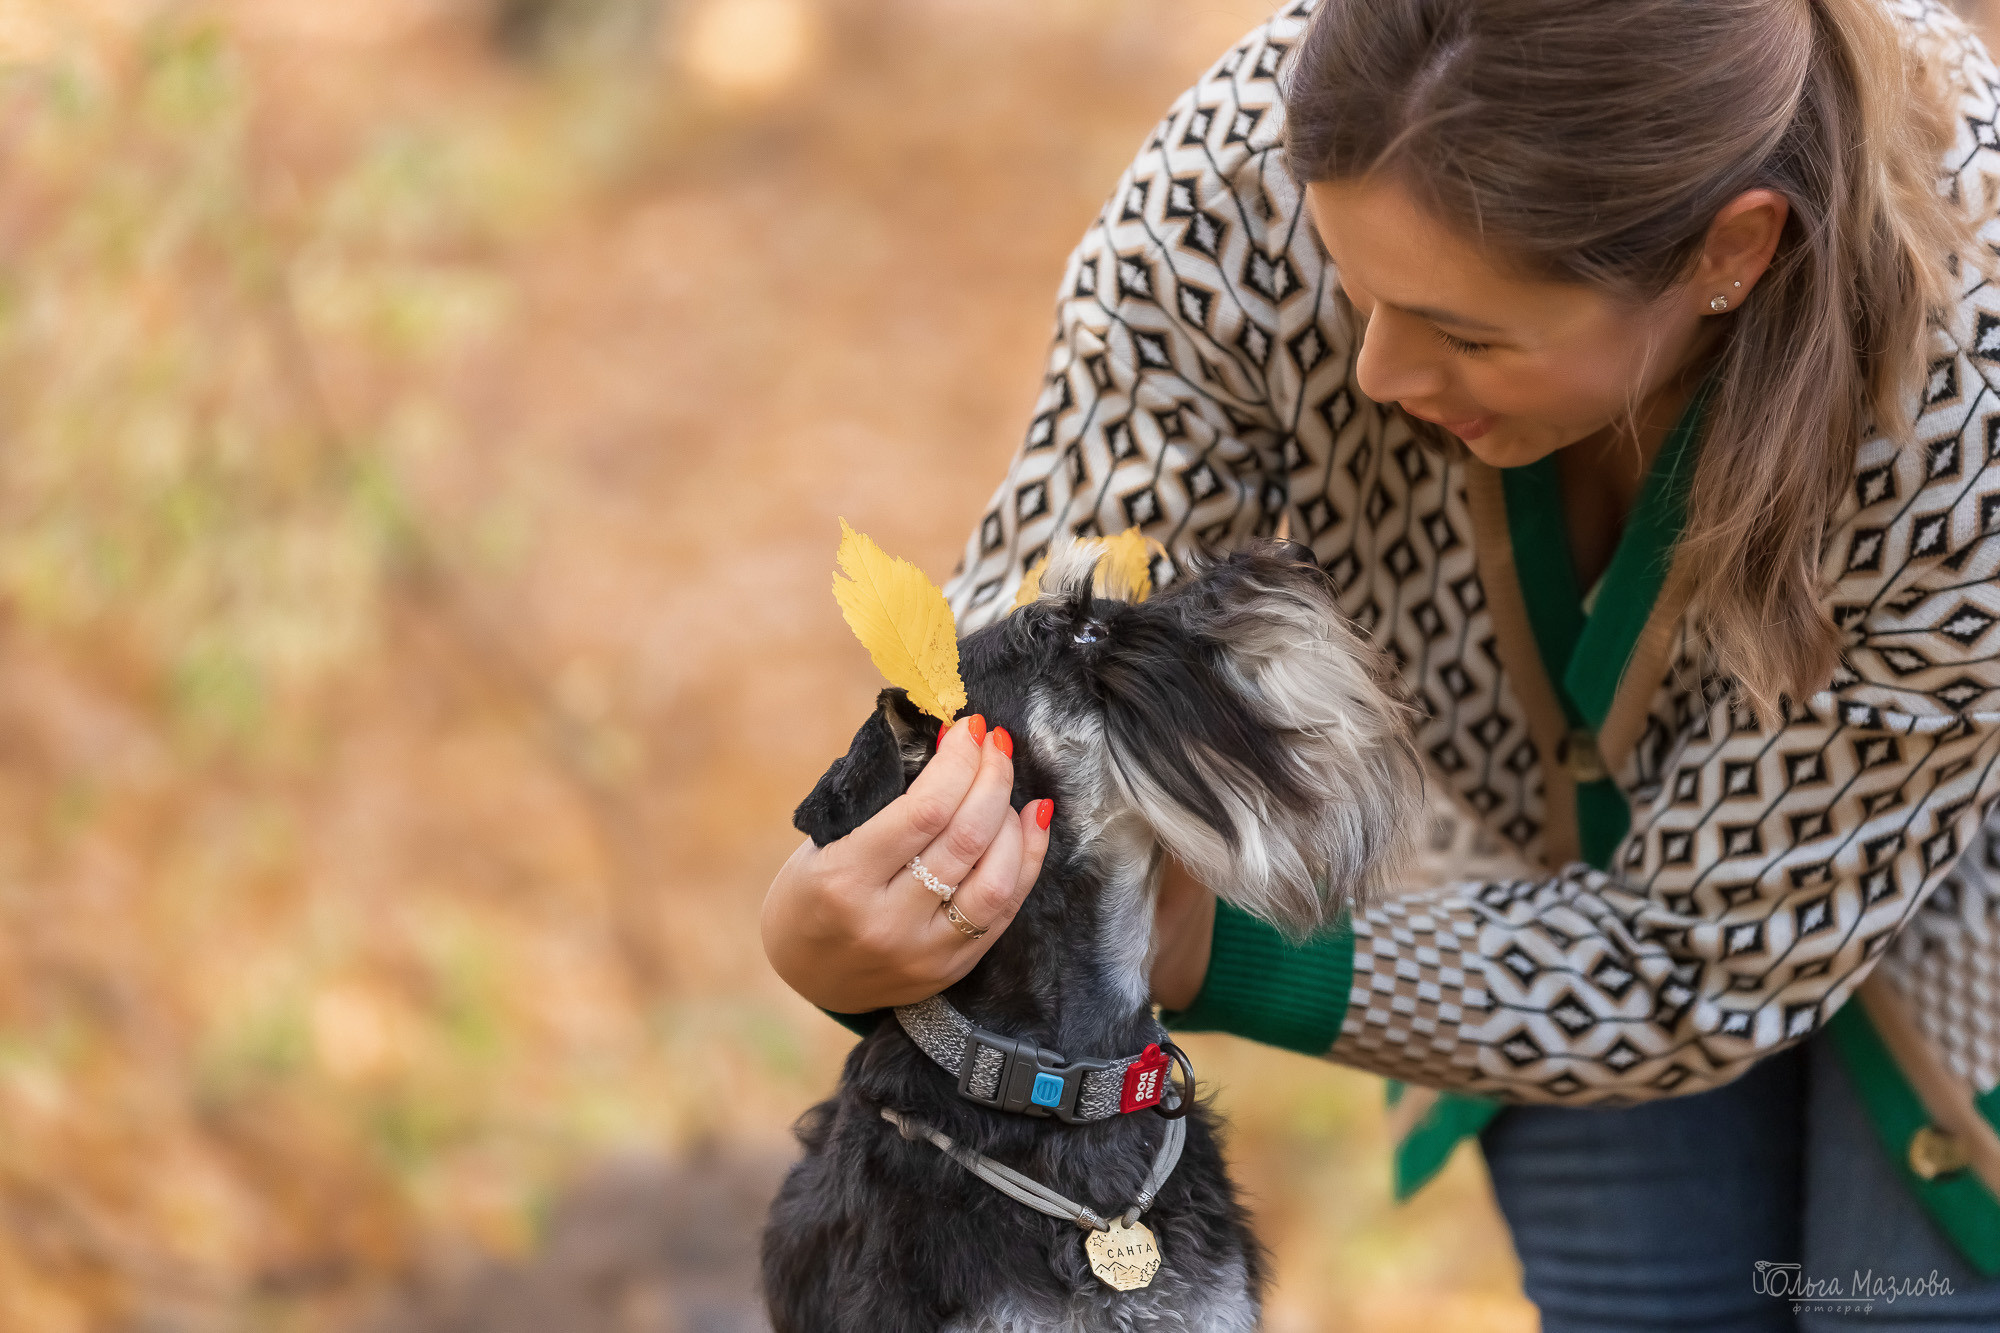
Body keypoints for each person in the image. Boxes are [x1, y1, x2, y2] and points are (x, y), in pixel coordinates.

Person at [760, 0, 2000, 1326]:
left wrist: (1218, 956)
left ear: (1730, 252)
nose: (1376, 369)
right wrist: (849, 919)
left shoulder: (1970, 395)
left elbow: (1701, 960)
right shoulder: (1239, 185)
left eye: (1465, 333)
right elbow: (1046, 638)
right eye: (1350, 285)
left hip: (1951, 873)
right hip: (1496, 868)